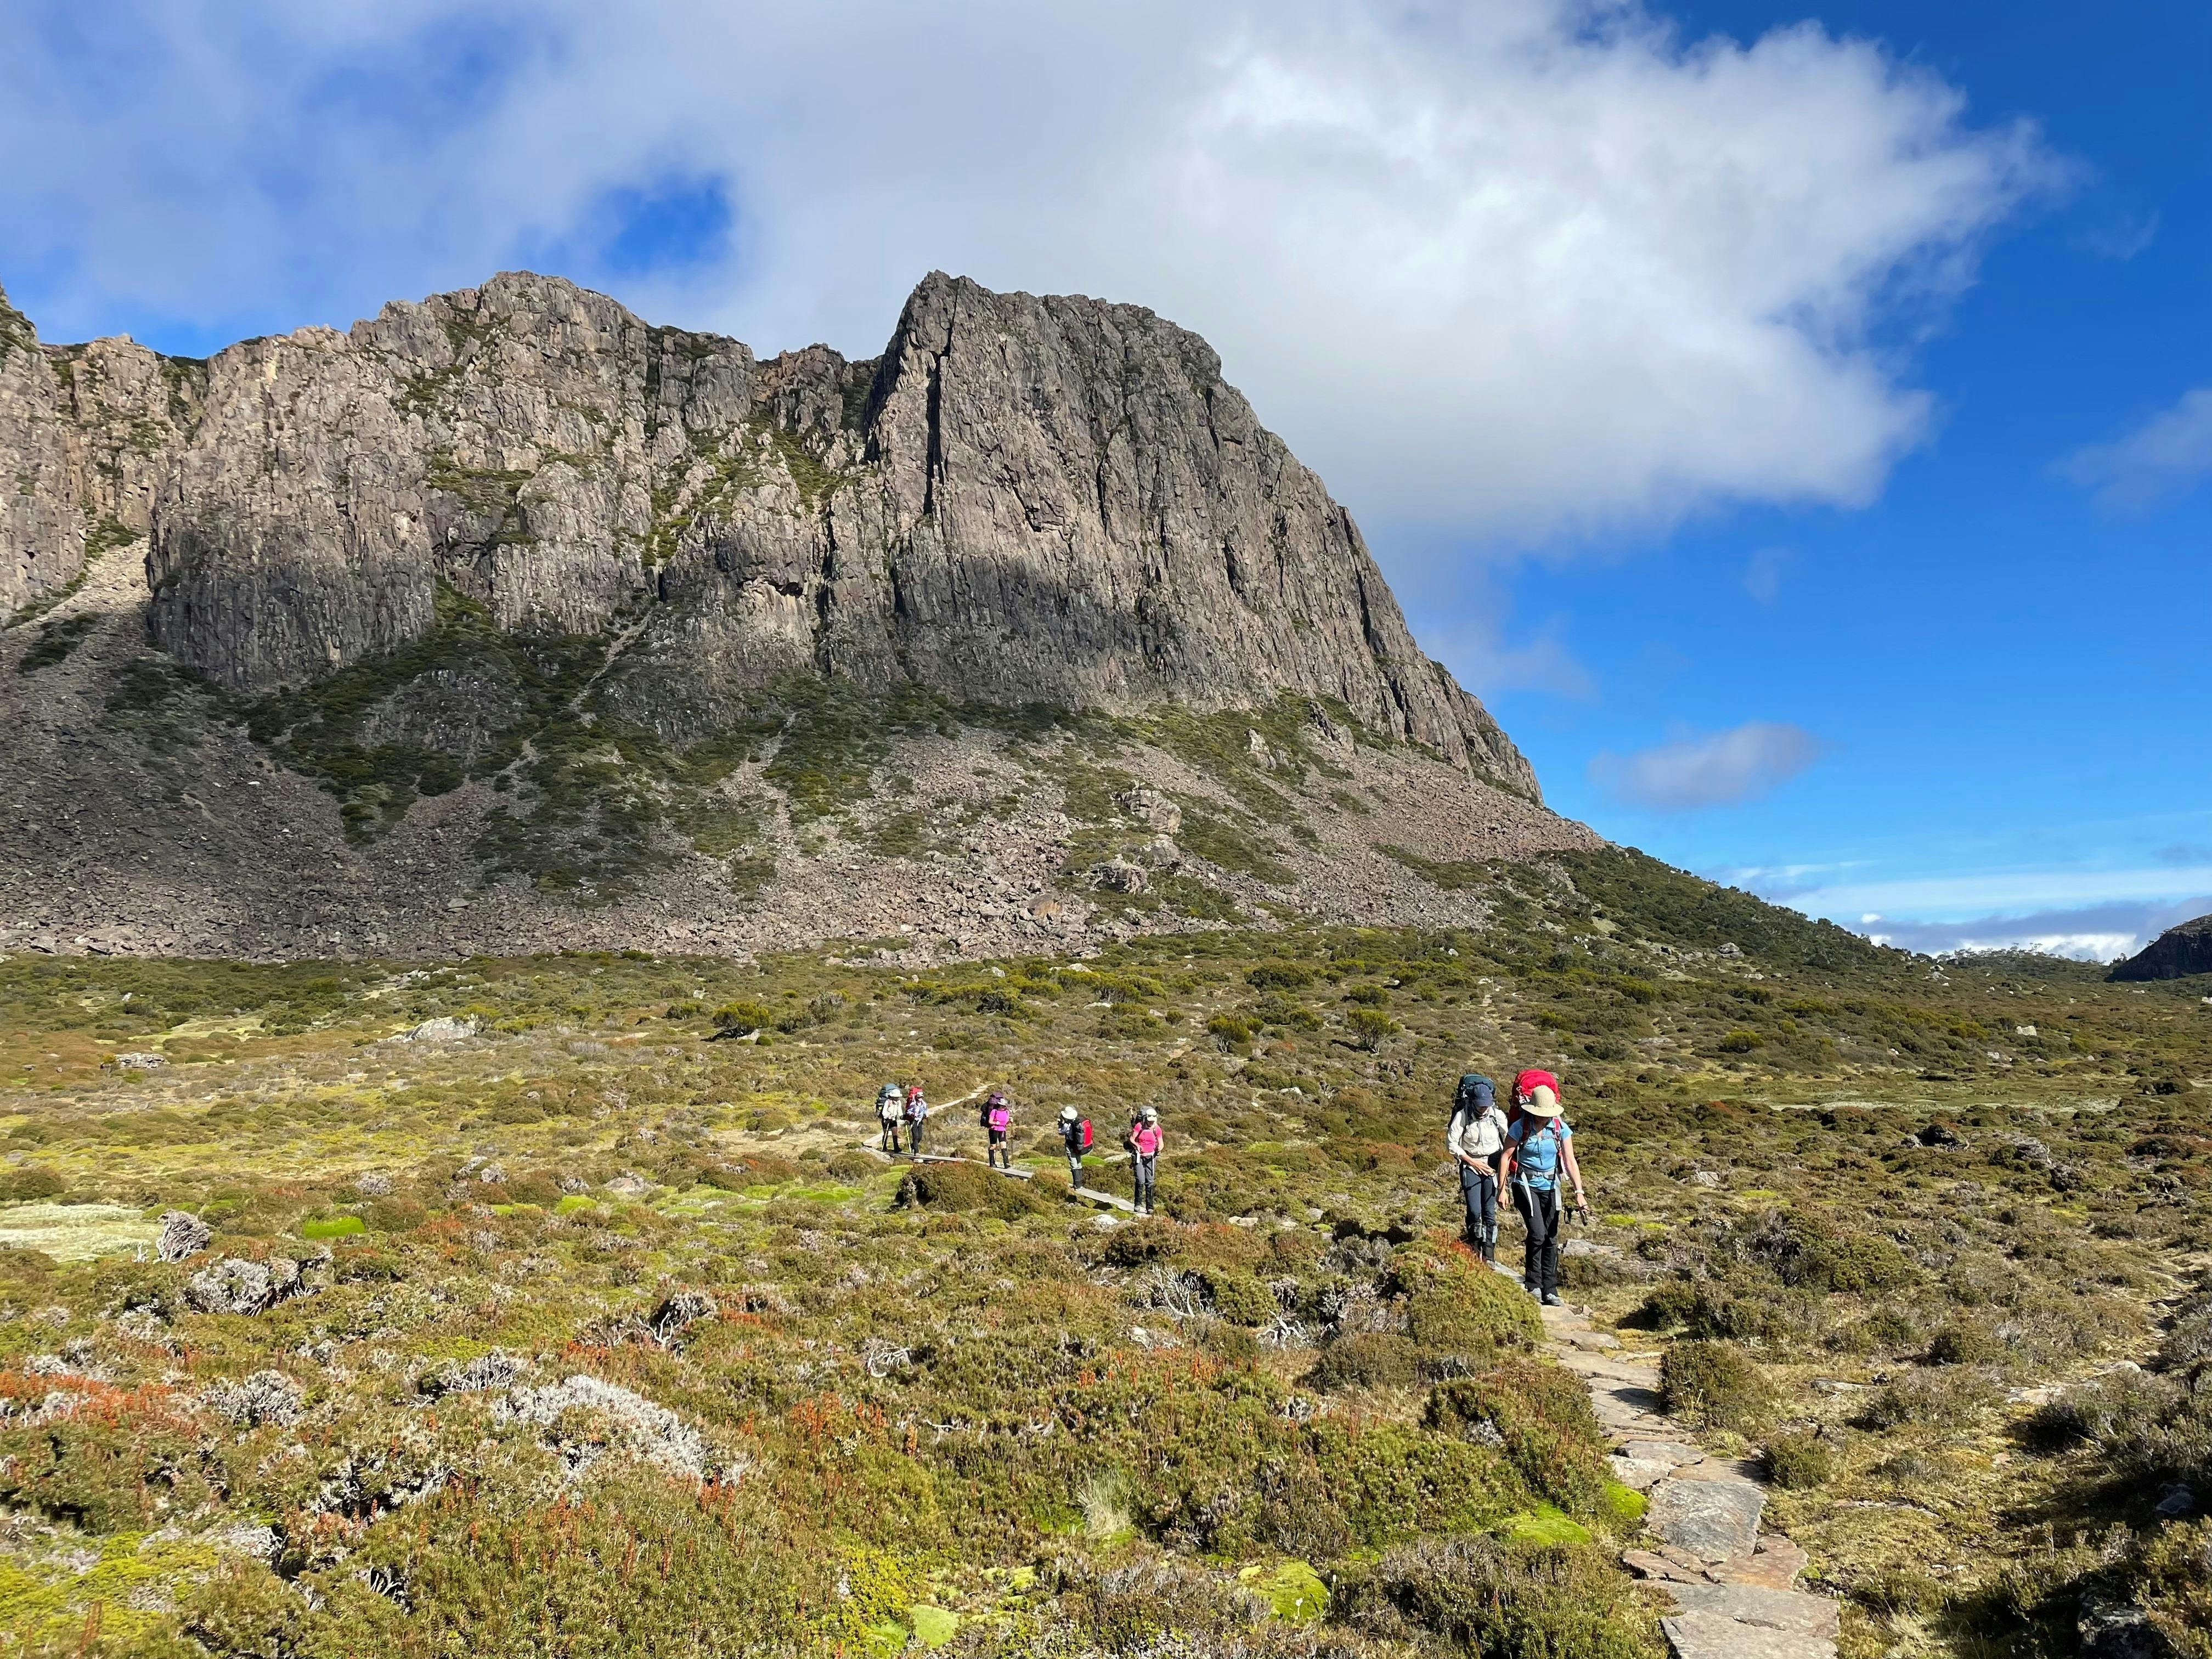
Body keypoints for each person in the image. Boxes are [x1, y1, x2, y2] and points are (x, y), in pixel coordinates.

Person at [1503, 1078, 1587, 1306]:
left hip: (1552, 1186)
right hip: (1525, 1185)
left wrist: (1579, 1192)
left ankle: (1550, 1290)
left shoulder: (1561, 1128)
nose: (1544, 1117)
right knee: (1538, 1233)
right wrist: (1502, 1190)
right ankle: (1533, 1284)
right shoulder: (1520, 1126)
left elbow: (1570, 1160)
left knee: (1551, 1237)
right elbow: (1505, 1157)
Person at [1446, 1072, 1506, 1262]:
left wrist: (1502, 1167)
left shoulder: (1497, 1116)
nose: (1483, 1108)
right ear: (1472, 1101)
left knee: (1489, 1212)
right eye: (1480, 1104)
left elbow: (1509, 1141)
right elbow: (1452, 1143)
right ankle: (1473, 1248)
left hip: (1492, 1169)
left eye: (1486, 1104)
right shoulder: (1463, 1116)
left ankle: (1489, 1255)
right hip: (1471, 1167)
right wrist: (1471, 1161)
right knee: (1474, 1211)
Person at [1127, 1107, 1163, 1216]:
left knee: (1150, 1182)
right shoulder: (1139, 1126)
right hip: (1139, 1157)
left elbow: (1161, 1142)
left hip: (1151, 1158)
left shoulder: (1157, 1129)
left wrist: (1159, 1149)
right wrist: (1137, 1145)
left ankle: (1150, 1207)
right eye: (1149, 1121)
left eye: (1152, 1121)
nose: (1150, 1123)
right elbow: (1132, 1139)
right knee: (1140, 1180)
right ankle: (1137, 1204)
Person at [1058, 1105, 1091, 1189]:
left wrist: (1060, 1125)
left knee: (1074, 1165)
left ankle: (1077, 1185)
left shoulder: (1067, 1125)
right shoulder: (1078, 1122)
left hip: (1071, 1146)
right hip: (1078, 1146)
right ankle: (1080, 1184)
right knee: (1079, 1163)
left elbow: (1061, 1132)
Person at [985, 1090, 1013, 1170]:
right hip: (994, 1130)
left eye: (1004, 1106)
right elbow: (990, 1121)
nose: (1003, 1108)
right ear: (999, 1105)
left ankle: (1006, 1163)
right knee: (993, 1146)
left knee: (1003, 1145)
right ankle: (992, 1162)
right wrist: (996, 1123)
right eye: (1002, 1106)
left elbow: (1005, 1123)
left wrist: (1010, 1122)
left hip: (1002, 1130)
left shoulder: (1007, 1112)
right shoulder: (994, 1111)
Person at [877, 1083, 905, 1154]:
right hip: (886, 1120)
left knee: (895, 1134)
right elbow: (884, 1112)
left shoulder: (898, 1102)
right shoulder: (888, 1102)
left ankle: (896, 1148)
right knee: (885, 1133)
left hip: (893, 1120)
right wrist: (888, 1116)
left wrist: (902, 1117)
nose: (897, 1098)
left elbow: (899, 1111)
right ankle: (884, 1147)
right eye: (896, 1097)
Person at [905, 1085, 929, 1157]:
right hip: (914, 1121)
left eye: (921, 1097)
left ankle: (913, 1146)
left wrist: (926, 1115)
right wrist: (912, 1114)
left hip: (920, 1121)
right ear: (917, 1097)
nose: (920, 1098)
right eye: (919, 1097)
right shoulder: (913, 1104)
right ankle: (916, 1152)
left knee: (920, 1137)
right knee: (916, 1136)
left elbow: (925, 1111)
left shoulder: (924, 1104)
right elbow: (908, 1111)